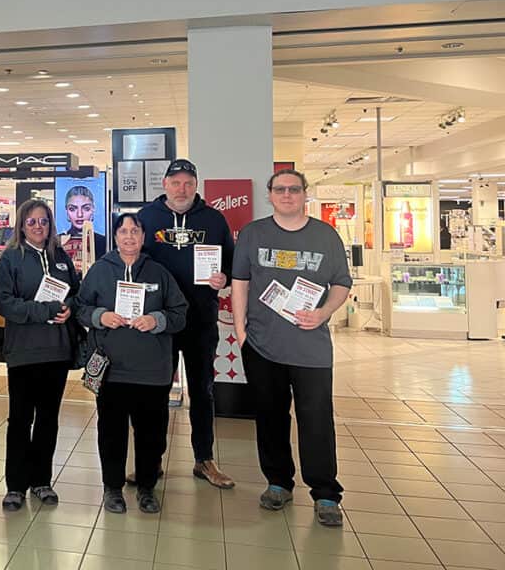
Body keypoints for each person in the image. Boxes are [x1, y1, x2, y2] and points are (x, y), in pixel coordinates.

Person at [231, 169, 352, 528]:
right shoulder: (254, 234)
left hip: (311, 348)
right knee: (270, 418)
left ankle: (326, 492)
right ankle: (278, 482)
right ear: (269, 194)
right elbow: (240, 283)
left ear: (304, 194)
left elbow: (341, 283)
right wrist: (240, 332)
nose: (287, 195)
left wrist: (324, 312)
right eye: (280, 189)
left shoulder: (325, 235)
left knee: (316, 419)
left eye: (294, 189)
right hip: (263, 346)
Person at [76, 213, 187, 514]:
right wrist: (100, 316)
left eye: (134, 231)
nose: (128, 237)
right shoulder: (100, 271)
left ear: (143, 236)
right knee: (111, 432)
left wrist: (156, 319)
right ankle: (112, 487)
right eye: (123, 231)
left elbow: (180, 313)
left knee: (151, 432)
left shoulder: (158, 273)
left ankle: (147, 487)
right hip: (112, 370)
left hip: (152, 371)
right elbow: (80, 308)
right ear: (114, 237)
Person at [136, 158, 235, 489]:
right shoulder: (147, 218)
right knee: (155, 393)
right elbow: (132, 261)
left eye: (188, 183)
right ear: (164, 184)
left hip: (201, 320)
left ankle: (203, 459)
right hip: (159, 322)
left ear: (196, 186)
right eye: (175, 182)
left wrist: (224, 278)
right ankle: (151, 461)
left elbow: (231, 265)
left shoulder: (214, 219)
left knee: (203, 391)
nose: (182, 188)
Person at [0, 199, 81, 512]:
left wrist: (70, 305)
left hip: (56, 351)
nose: (38, 227)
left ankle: (41, 480)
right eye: (31, 222)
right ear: (21, 225)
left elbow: (76, 291)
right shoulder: (11, 259)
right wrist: (45, 310)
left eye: (43, 221)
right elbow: (5, 304)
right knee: (20, 420)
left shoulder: (60, 257)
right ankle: (15, 486)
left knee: (48, 419)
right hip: (23, 352)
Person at [59, 185, 107, 267]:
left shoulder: (104, 242)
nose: (80, 214)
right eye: (72, 209)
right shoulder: (57, 241)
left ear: (93, 210)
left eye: (86, 208)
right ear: (66, 211)